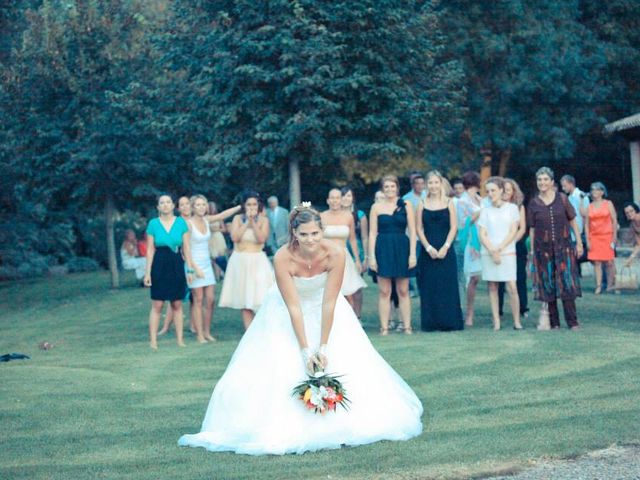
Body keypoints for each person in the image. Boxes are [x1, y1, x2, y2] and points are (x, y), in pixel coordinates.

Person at [178, 205, 423, 455]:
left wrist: (323, 346)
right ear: (294, 233)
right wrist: (306, 350)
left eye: (315, 233)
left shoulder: (336, 254)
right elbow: (293, 307)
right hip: (286, 311)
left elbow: (330, 302)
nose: (310, 240)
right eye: (304, 234)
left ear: (322, 231)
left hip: (325, 309)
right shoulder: (283, 257)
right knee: (283, 362)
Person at [528, 167, 583, 330]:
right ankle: (554, 323)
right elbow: (532, 229)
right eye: (539, 180)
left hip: (564, 247)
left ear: (552, 182)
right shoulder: (533, 203)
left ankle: (572, 322)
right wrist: (532, 252)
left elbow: (572, 221)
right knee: (548, 284)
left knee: (567, 283)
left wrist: (579, 243)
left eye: (545, 179)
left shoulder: (562, 198)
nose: (542, 183)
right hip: (542, 250)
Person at [143, 194, 201, 350]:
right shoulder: (153, 224)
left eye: (168, 202)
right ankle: (153, 341)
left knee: (177, 303)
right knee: (157, 304)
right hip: (159, 264)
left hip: (176, 263)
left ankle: (180, 340)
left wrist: (189, 269)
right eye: (162, 203)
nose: (165, 205)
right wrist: (147, 273)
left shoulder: (181, 223)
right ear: (158, 207)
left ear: (173, 205)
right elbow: (150, 250)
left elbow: (187, 248)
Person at [188, 195, 241, 343]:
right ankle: (199, 335)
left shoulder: (207, 220)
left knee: (210, 300)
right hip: (195, 265)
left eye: (203, 205)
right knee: (198, 300)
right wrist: (192, 268)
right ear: (193, 207)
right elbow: (185, 248)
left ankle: (207, 332)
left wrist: (239, 207)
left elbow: (222, 215)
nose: (201, 207)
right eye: (198, 205)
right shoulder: (188, 224)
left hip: (207, 264)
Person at [219, 191, 275, 329]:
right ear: (244, 205)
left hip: (257, 260)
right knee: (244, 299)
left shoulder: (264, 220)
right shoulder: (238, 219)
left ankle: (262, 329)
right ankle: (248, 332)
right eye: (248, 204)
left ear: (258, 205)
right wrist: (246, 222)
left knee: (260, 296)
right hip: (240, 260)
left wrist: (253, 222)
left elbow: (262, 239)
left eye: (254, 204)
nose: (251, 207)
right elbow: (235, 237)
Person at [369, 175, 417, 335]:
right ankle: (384, 327)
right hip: (383, 249)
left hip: (402, 248)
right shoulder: (376, 207)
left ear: (397, 188)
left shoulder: (406, 205)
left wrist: (412, 255)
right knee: (384, 291)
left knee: (403, 290)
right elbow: (372, 233)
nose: (390, 189)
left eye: (392, 186)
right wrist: (372, 257)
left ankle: (407, 326)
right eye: (386, 187)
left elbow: (413, 231)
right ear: (383, 189)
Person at [416, 171, 462, 331]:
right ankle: (431, 323)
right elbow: (418, 228)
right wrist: (428, 247)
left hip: (446, 250)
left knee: (447, 286)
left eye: (436, 182)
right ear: (426, 185)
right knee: (429, 286)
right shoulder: (422, 203)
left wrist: (445, 247)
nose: (433, 186)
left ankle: (449, 322)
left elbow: (454, 226)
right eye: (430, 183)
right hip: (428, 251)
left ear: (440, 183)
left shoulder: (449, 202)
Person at [477, 177, 522, 330]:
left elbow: (513, 230)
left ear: (501, 190)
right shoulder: (485, 211)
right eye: (488, 191)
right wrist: (491, 250)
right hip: (488, 252)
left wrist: (499, 249)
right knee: (492, 286)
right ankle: (496, 321)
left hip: (507, 251)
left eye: (493, 190)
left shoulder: (512, 208)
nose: (490, 194)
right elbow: (482, 234)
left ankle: (517, 321)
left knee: (512, 286)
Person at [321, 188, 366, 307]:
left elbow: (352, 239)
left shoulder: (348, 217)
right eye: (332, 198)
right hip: (326, 257)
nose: (335, 201)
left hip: (344, 257)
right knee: (329, 291)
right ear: (328, 200)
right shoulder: (321, 217)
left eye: (337, 198)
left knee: (348, 292)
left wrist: (357, 259)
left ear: (341, 200)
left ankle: (351, 320)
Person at [158, 196, 193, 336]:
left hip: (197, 260)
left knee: (195, 297)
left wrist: (239, 207)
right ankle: (166, 326)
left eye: (187, 204)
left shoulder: (198, 220)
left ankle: (193, 325)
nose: (185, 207)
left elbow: (219, 216)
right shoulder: (177, 223)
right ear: (178, 208)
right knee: (176, 295)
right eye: (182, 205)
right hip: (183, 260)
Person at [497, 179, 529, 319]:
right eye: (503, 190)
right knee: (498, 279)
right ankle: (498, 309)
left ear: (513, 192)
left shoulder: (519, 207)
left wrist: (510, 243)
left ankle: (523, 308)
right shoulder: (495, 206)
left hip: (516, 246)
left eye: (508, 190)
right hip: (498, 247)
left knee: (519, 278)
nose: (505, 193)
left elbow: (522, 229)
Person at [456, 171, 483, 326]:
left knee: (484, 278)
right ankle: (469, 314)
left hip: (484, 240)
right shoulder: (462, 201)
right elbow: (462, 224)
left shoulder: (481, 199)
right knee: (472, 278)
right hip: (472, 242)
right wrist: (479, 213)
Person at [341, 186, 369, 318]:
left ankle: (357, 316)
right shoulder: (334, 214)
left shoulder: (360, 215)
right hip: (340, 251)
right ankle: (346, 317)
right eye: (343, 196)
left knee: (356, 287)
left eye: (348, 196)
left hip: (356, 251)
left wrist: (365, 258)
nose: (345, 199)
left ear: (353, 198)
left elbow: (364, 237)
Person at [585, 182, 617, 294]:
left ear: (602, 192)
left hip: (607, 235)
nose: (594, 192)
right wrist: (588, 239)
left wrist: (614, 237)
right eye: (592, 189)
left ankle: (610, 284)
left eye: (596, 189)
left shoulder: (608, 204)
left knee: (609, 262)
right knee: (597, 262)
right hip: (594, 236)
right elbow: (586, 224)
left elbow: (614, 220)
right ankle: (598, 286)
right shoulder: (589, 206)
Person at [207, 201, 229, 282]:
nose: (212, 209)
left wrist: (217, 229)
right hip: (210, 238)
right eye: (210, 208)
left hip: (218, 236)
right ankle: (217, 277)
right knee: (213, 257)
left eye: (213, 208)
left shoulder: (218, 217)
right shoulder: (206, 218)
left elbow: (224, 229)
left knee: (220, 257)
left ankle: (223, 273)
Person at [623, 202, 640, 266]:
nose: (629, 214)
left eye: (631, 211)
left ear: (636, 210)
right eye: (627, 213)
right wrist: (630, 259)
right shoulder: (633, 224)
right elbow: (639, 244)